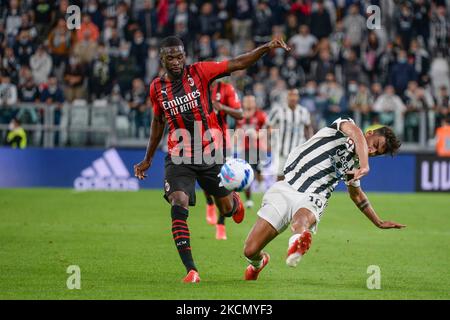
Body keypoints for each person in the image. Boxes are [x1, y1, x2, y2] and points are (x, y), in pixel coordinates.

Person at [133, 36, 290, 283]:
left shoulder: (200, 72)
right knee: (178, 202)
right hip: (179, 156)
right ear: (162, 59)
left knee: (226, 210)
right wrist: (147, 159)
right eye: (170, 57)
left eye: (179, 56)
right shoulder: (156, 88)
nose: (176, 62)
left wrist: (266, 48)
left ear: (185, 56)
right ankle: (191, 270)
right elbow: (158, 121)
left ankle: (235, 203)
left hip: (210, 153)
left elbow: (237, 63)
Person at [243, 117, 406, 281]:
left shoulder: (355, 166)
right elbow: (356, 134)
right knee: (250, 250)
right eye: (375, 145)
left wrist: (378, 221)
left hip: (314, 196)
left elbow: (356, 194)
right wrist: (365, 164)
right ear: (369, 133)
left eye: (377, 153)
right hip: (286, 187)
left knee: (300, 221)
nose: (372, 151)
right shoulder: (344, 126)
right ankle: (259, 262)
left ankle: (296, 245)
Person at [204, 79, 243, 241]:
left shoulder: (226, 88)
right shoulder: (196, 89)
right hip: (201, 141)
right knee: (204, 176)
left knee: (223, 183)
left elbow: (240, 114)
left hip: (222, 142)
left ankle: (221, 224)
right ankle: (209, 204)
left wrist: (223, 108)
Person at [268, 88, 313, 181]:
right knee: (280, 175)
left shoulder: (303, 111)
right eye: (290, 95)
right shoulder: (278, 110)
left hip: (297, 149)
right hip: (281, 149)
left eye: (295, 95)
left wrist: (310, 142)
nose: (293, 98)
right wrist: (268, 141)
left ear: (298, 97)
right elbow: (268, 126)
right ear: (287, 97)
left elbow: (308, 127)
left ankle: (293, 195)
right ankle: (279, 194)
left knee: (296, 175)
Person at [234, 94, 269, 209]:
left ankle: (263, 192)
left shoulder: (260, 115)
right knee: (247, 172)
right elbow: (237, 130)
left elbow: (268, 128)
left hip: (259, 148)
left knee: (259, 172)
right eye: (246, 101)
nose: (248, 103)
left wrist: (258, 134)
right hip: (246, 149)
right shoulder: (240, 116)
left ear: (254, 103)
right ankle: (249, 200)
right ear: (243, 103)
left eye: (251, 101)